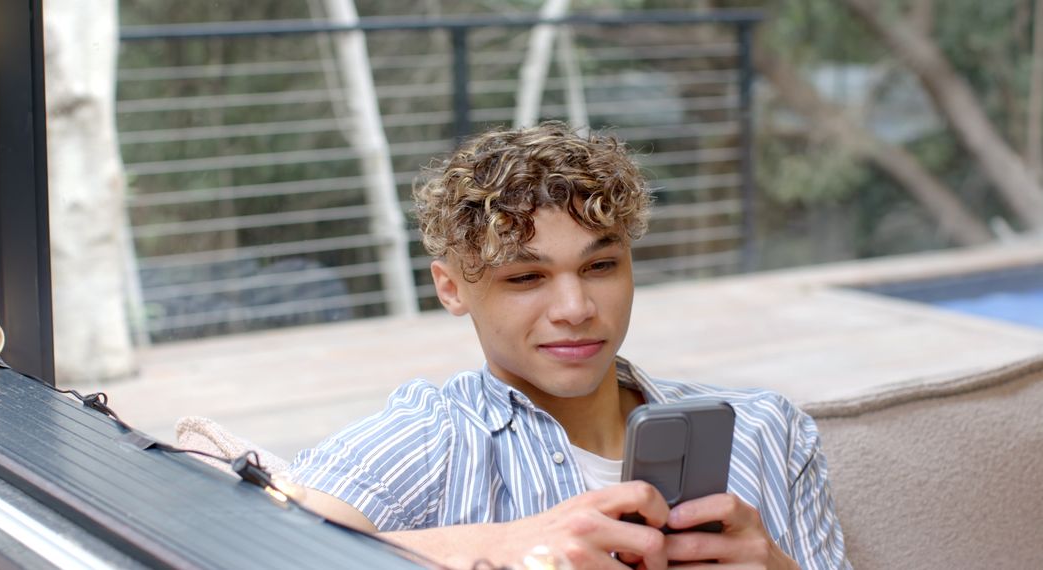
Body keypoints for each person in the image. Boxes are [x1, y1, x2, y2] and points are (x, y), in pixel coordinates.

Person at [289, 122, 849, 569]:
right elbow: (258, 544)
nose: (576, 309)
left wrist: (776, 567)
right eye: (526, 278)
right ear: (451, 288)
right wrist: (506, 547)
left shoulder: (767, 430)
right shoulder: (435, 439)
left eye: (600, 266)